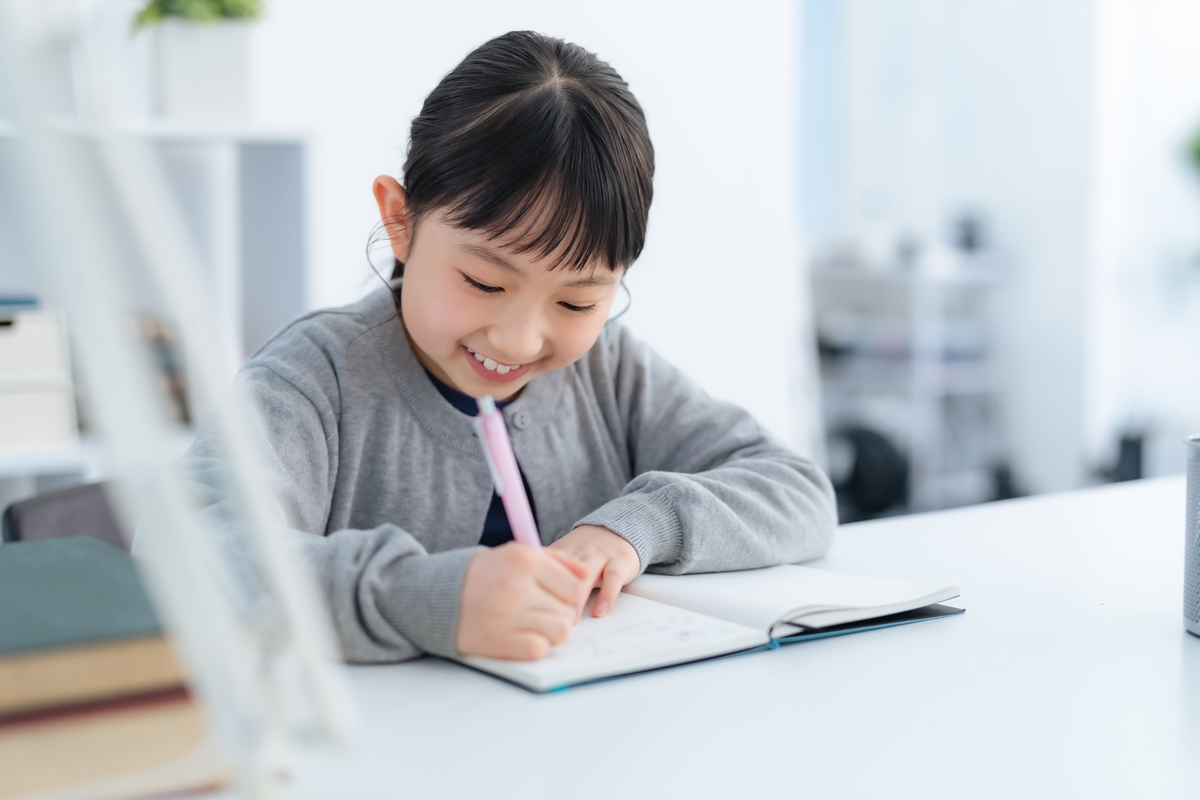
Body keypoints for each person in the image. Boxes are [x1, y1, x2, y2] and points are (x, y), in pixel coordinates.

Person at [181, 31, 837, 664]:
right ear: (399, 222)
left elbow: (798, 492)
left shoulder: (609, 371)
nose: (518, 339)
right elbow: (190, 560)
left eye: (578, 302)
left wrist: (639, 526)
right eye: (484, 282)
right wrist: (426, 598)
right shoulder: (312, 382)